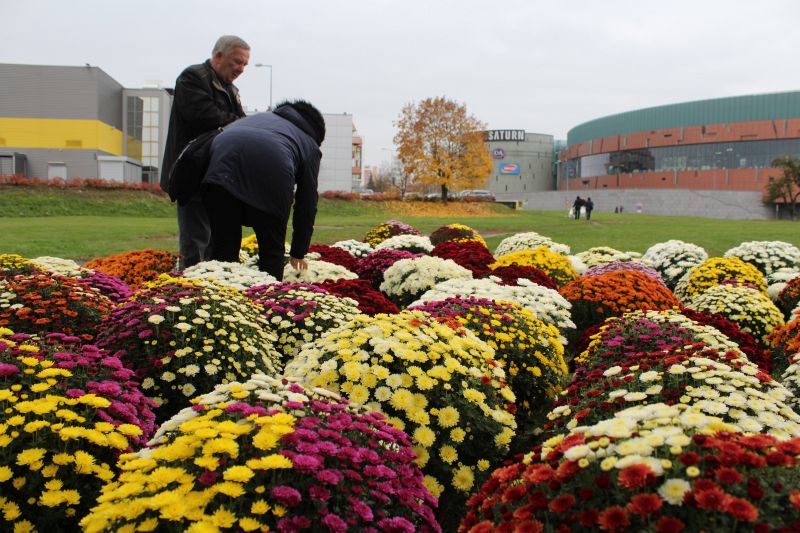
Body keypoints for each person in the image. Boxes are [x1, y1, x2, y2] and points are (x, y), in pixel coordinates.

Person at [201, 100, 325, 280]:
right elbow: (307, 202)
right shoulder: (309, 143)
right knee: (271, 253)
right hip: (273, 174)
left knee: (223, 250)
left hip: (220, 171)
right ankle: (269, 295)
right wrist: (298, 251)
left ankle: (217, 292)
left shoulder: (256, 118)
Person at [161, 35, 250, 269]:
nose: (241, 69)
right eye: (237, 61)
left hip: (216, 175)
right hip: (192, 172)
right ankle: (190, 286)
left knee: (216, 241)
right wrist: (242, 124)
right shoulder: (192, 77)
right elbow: (205, 116)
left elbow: (237, 123)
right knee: (195, 243)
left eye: (244, 64)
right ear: (218, 55)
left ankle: (211, 284)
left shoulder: (231, 89)